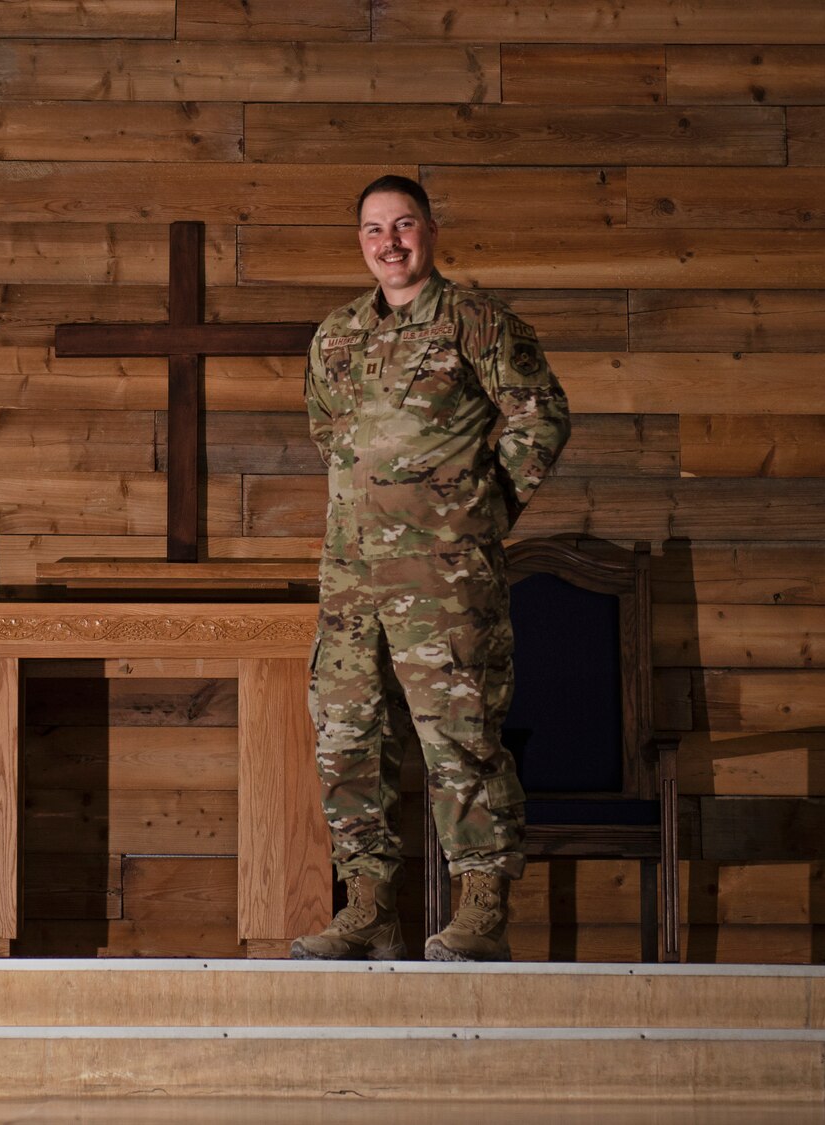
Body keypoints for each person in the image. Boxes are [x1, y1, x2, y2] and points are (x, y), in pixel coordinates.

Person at [291, 174, 571, 962]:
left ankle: (482, 908)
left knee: (461, 740)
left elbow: (541, 415)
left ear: (431, 231)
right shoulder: (335, 336)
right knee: (348, 737)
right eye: (375, 230)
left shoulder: (478, 323)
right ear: (361, 243)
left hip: (444, 580)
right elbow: (328, 434)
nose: (390, 242)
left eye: (404, 225)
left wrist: (478, 513)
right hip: (351, 579)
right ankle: (369, 906)